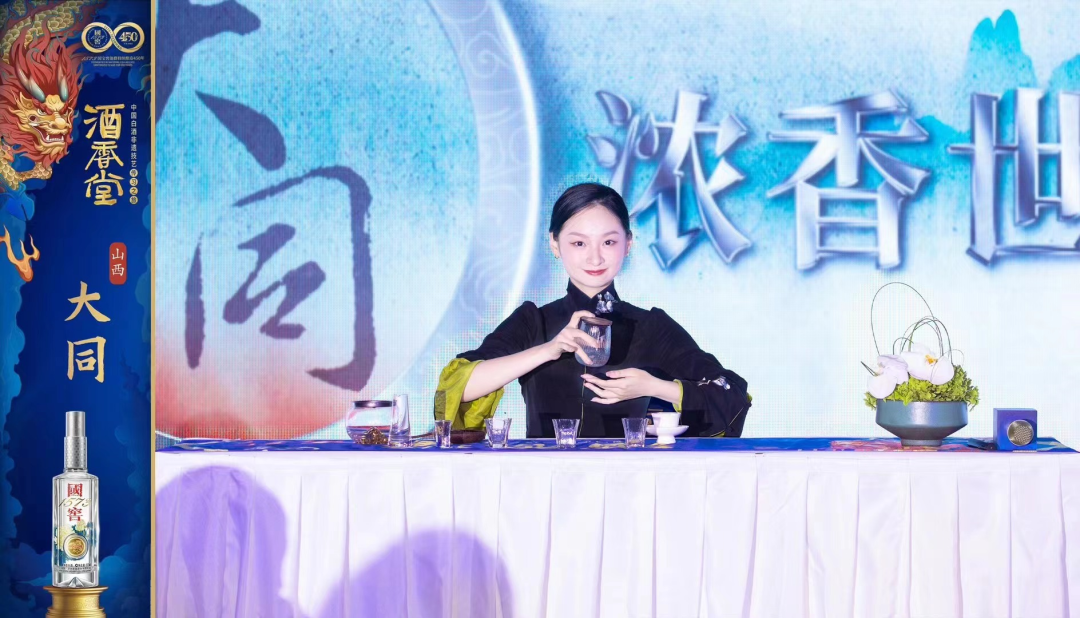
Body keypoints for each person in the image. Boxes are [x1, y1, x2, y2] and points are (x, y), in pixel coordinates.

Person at [435, 182, 751, 438]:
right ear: (555, 244)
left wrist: (654, 387)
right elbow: (456, 387)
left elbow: (732, 394)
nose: (595, 258)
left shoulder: (651, 325)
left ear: (628, 243)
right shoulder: (534, 321)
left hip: (631, 482)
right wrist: (548, 349)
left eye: (608, 242)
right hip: (544, 480)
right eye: (579, 243)